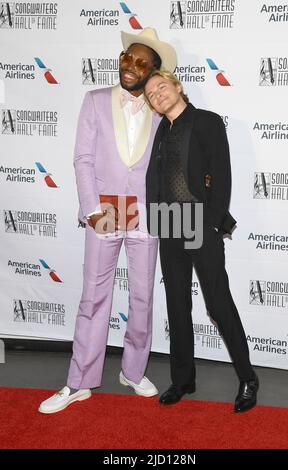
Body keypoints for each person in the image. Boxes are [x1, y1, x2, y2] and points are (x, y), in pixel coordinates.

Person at [38, 29, 177, 414]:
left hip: (145, 212)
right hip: (106, 209)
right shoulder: (95, 100)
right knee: (94, 296)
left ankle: (133, 371)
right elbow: (82, 158)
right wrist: (92, 208)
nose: (129, 66)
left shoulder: (160, 106)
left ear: (153, 70)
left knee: (142, 296)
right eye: (126, 57)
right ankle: (79, 380)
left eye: (140, 62)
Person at [145, 70, 259, 413]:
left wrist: (211, 223)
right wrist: (156, 219)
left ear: (178, 87)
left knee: (218, 304)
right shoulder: (161, 130)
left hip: (199, 222)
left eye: (162, 87)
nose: (158, 95)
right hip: (168, 223)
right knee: (177, 305)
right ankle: (182, 380)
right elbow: (156, 178)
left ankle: (248, 378)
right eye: (151, 94)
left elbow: (221, 173)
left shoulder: (206, 121)